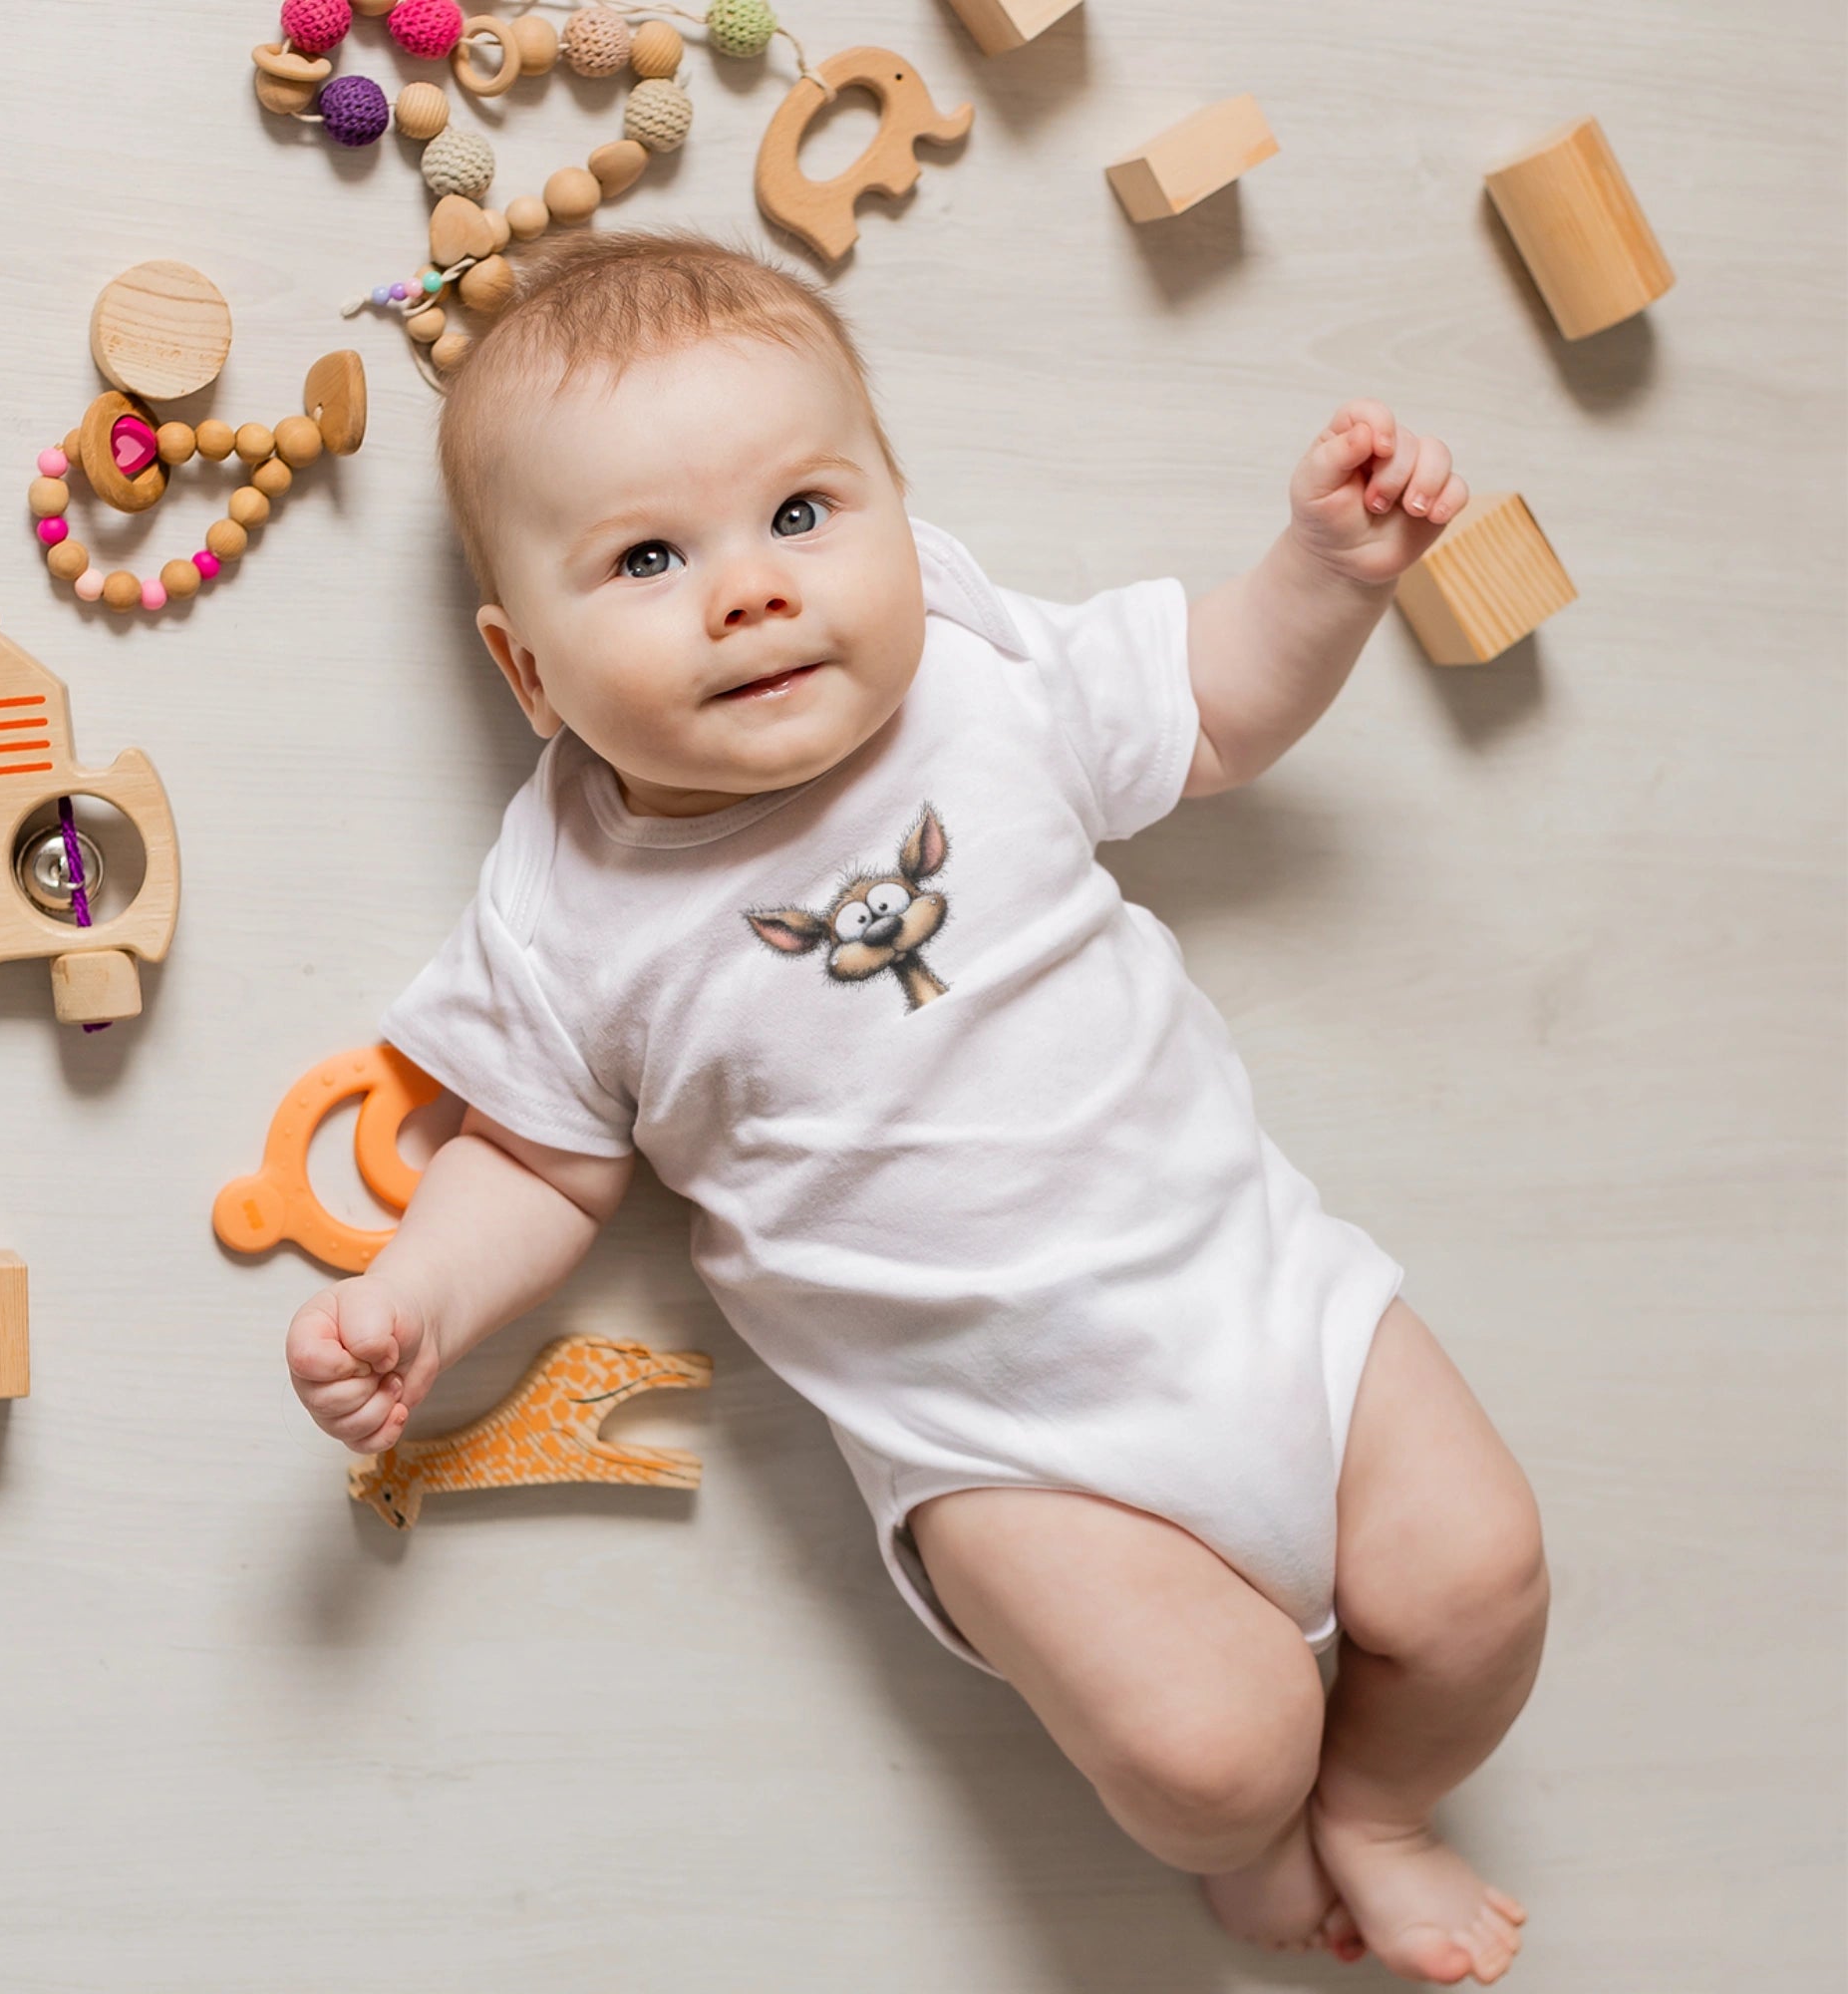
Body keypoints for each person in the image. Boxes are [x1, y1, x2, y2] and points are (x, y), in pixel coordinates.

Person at [286, 227, 1547, 1984]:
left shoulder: (978, 677)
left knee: (1483, 1580)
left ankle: (1386, 1807)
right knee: (1206, 1751)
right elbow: (540, 1166)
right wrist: (413, 1299)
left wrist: (1326, 573)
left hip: (1264, 1298)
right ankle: (1261, 1827)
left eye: (804, 515)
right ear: (528, 674)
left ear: (898, 509)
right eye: (648, 557)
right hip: (1007, 1448)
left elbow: (1213, 712)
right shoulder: (569, 903)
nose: (750, 589)